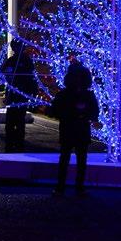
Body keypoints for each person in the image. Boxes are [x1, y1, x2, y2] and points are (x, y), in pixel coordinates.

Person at [49, 62, 99, 197]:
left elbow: (54, 110)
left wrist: (68, 115)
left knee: (67, 158)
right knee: (79, 159)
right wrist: (84, 116)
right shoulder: (86, 95)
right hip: (79, 128)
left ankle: (62, 188)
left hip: (70, 127)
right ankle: (76, 188)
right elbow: (94, 111)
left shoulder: (65, 94)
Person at [0, 38, 38, 152]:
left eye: (18, 46)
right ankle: (10, 144)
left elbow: (31, 77)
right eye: (15, 47)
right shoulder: (11, 60)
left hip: (22, 94)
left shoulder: (27, 61)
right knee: (10, 121)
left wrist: (32, 93)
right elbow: (3, 71)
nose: (16, 49)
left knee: (20, 121)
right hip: (12, 93)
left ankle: (19, 144)